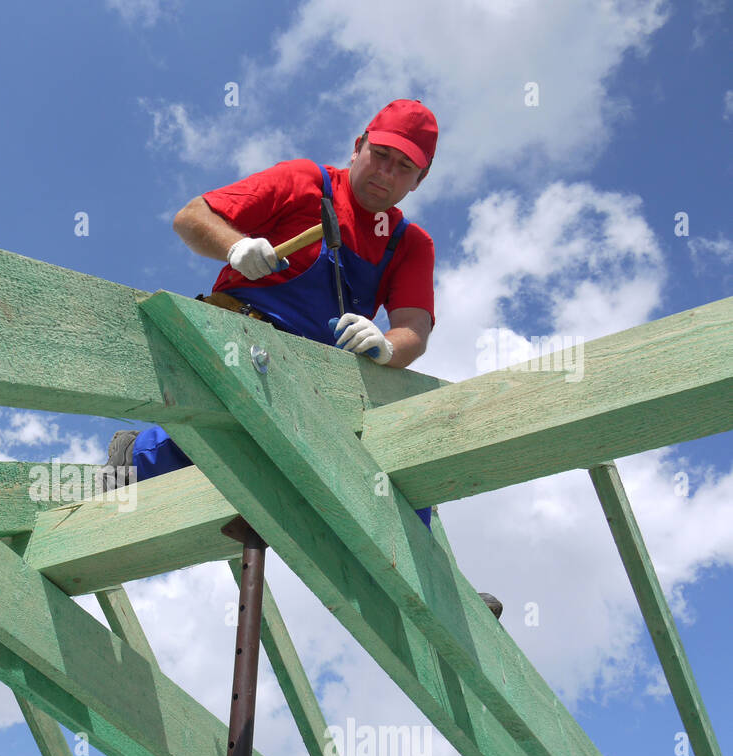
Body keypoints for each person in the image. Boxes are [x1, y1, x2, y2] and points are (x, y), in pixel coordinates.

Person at [107, 99, 503, 618]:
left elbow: (414, 330)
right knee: (219, 425)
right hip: (243, 341)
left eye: (403, 166)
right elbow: (191, 218)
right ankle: (138, 457)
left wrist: (385, 347)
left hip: (322, 377)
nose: (385, 172)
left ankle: (426, 580)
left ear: (419, 181)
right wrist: (235, 247)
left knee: (394, 443)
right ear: (358, 146)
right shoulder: (303, 182)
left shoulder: (410, 244)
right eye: (379, 154)